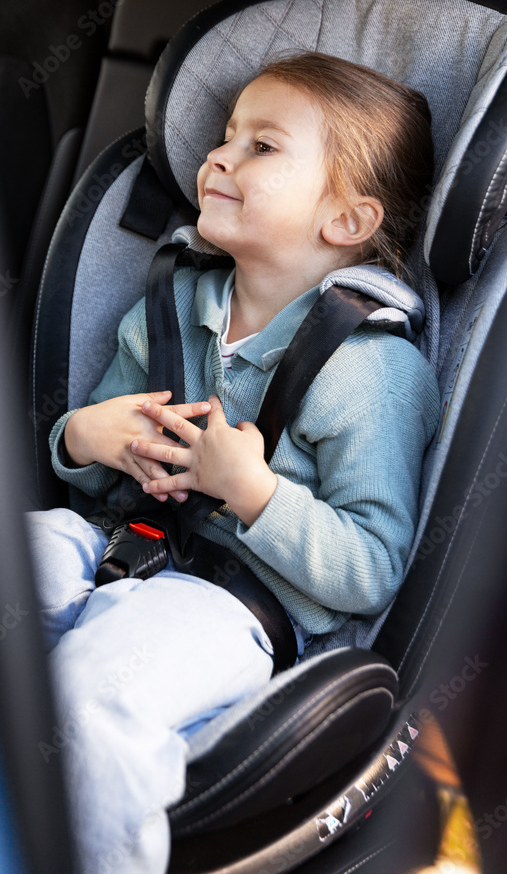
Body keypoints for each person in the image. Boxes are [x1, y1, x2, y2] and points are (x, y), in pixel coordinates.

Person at [27, 51, 441, 874]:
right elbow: (98, 468)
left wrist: (252, 492)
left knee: (89, 704)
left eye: (261, 146)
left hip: (230, 606)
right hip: (113, 540)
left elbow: (368, 568)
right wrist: (83, 438)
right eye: (224, 136)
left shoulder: (370, 371)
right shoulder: (170, 306)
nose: (218, 156)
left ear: (345, 221)